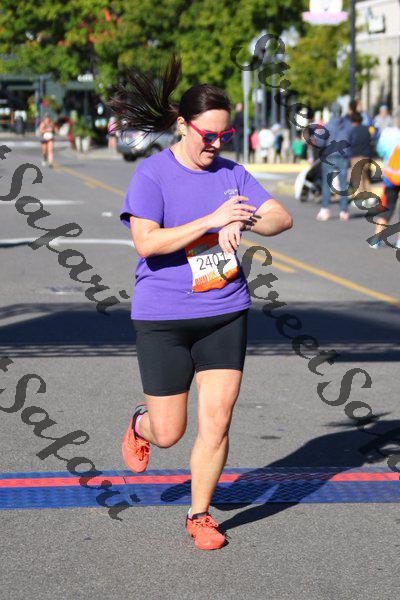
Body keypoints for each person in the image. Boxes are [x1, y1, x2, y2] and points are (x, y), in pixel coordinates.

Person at [107, 53, 293, 551]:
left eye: (223, 135)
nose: (215, 144)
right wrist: (212, 221)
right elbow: (147, 242)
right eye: (207, 134)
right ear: (182, 125)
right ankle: (141, 424)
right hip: (164, 317)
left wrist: (244, 217)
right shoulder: (152, 175)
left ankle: (200, 515)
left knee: (218, 420)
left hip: (224, 311)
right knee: (169, 431)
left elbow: (282, 218)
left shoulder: (232, 174)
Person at [315, 101, 353, 222]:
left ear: (332, 111)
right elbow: (351, 139)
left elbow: (320, 142)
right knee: (343, 185)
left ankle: (325, 209)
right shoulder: (348, 125)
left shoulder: (327, 125)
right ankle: (344, 211)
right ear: (341, 111)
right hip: (343, 156)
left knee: (327, 184)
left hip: (329, 156)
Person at [372, 107, 400, 249]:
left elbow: (380, 150)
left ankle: (376, 238)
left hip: (391, 174)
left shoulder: (388, 133)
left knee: (387, 206)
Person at [349, 111, 373, 197]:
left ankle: (362, 197)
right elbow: (370, 142)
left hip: (356, 156)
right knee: (366, 177)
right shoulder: (367, 129)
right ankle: (369, 197)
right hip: (366, 156)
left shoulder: (352, 130)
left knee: (358, 179)